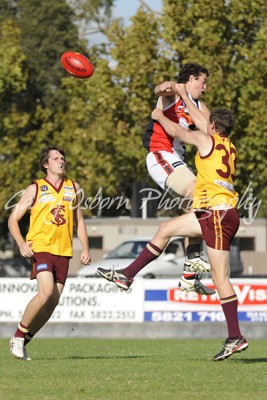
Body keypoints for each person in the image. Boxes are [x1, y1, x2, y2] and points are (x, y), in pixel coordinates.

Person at [98, 107, 248, 361]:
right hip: (214, 214)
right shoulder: (229, 145)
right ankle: (127, 275)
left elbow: (178, 131)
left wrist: (159, 117)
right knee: (166, 229)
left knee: (220, 278)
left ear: (212, 126)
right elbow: (202, 122)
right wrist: (187, 98)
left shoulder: (207, 139)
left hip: (217, 215)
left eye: (206, 124)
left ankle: (235, 336)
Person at [8, 145, 91, 360]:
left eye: (62, 157)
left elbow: (80, 221)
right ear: (46, 164)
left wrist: (86, 248)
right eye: (55, 158)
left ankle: (24, 340)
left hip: (63, 251)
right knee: (45, 292)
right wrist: (21, 243)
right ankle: (18, 336)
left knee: (53, 301)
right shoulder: (35, 188)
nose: (61, 161)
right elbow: (12, 220)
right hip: (41, 247)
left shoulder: (74, 187)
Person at [142, 62, 213, 295]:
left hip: (178, 162)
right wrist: (166, 87)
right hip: (161, 155)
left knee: (197, 216)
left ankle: (189, 277)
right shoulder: (174, 93)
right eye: (202, 82)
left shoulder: (199, 106)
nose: (204, 88)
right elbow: (162, 90)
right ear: (191, 79)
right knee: (200, 195)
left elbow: (209, 130)